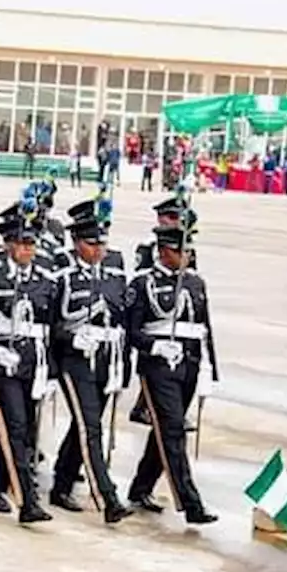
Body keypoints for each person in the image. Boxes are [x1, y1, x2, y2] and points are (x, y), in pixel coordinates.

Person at [123, 222, 220, 524]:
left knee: (165, 431)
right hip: (159, 367)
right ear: (164, 252)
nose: (188, 255)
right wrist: (155, 347)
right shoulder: (142, 284)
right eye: (181, 250)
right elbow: (131, 331)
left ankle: (141, 488)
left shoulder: (195, 283)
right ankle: (191, 503)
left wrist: (209, 368)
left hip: (189, 364)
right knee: (174, 429)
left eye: (190, 250)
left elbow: (205, 329)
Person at [48, 194, 134, 523]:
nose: (97, 250)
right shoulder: (65, 277)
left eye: (102, 243)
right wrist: (72, 337)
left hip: (105, 360)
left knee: (85, 425)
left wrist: (121, 360)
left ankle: (62, 481)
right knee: (91, 428)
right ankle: (107, 497)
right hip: (75, 361)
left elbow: (122, 319)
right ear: (75, 242)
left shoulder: (114, 276)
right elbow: (52, 325)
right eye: (90, 243)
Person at [0, 194, 55, 525]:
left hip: (31, 360)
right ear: (8, 244)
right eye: (22, 244)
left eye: (31, 244)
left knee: (19, 425)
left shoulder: (44, 280)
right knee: (16, 426)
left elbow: (51, 326)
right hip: (1, 361)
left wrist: (49, 369)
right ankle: (27, 500)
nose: (28, 250)